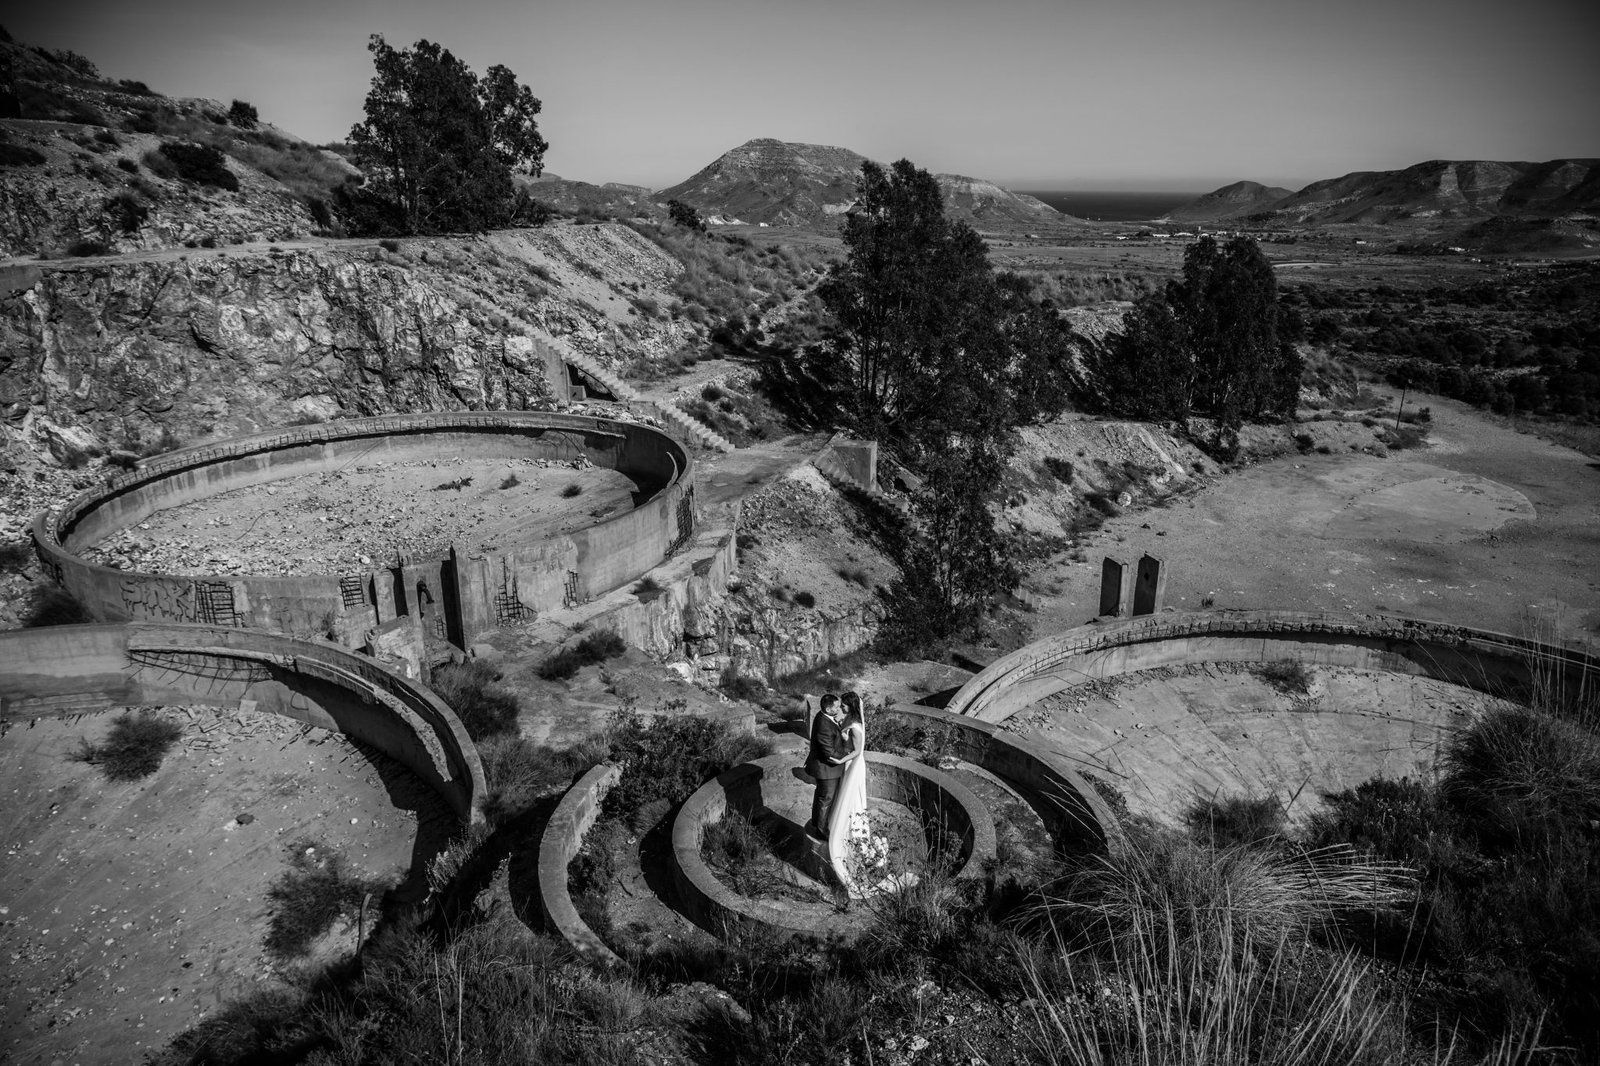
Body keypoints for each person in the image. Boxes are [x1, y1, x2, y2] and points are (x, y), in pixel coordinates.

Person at [826, 691, 871, 895]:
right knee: (847, 796)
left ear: (851, 706)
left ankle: (850, 833)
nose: (841, 707)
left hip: (853, 763)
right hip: (852, 763)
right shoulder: (850, 721)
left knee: (851, 798)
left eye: (844, 705)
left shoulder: (855, 727)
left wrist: (840, 760)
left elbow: (858, 751)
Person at [803, 693, 848, 842]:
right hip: (826, 769)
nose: (839, 707)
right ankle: (822, 832)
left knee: (821, 796)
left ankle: (817, 822)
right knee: (826, 799)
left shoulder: (824, 716)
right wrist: (848, 754)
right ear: (828, 709)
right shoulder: (824, 724)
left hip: (825, 768)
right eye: (836, 706)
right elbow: (829, 752)